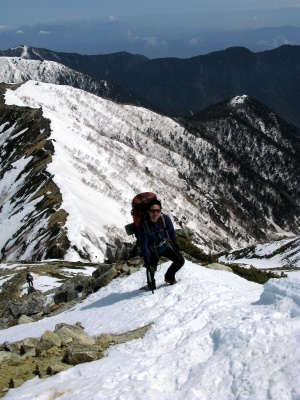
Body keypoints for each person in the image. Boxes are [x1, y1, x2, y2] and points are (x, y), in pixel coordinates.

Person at [138, 198, 185, 290]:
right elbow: (144, 244)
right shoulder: (143, 225)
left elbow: (171, 231)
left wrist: (175, 244)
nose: (155, 213)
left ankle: (169, 277)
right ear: (148, 212)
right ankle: (151, 285)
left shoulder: (165, 219)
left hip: (164, 245)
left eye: (158, 210)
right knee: (151, 269)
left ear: (160, 211)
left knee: (180, 260)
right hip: (152, 250)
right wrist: (147, 260)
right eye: (152, 211)